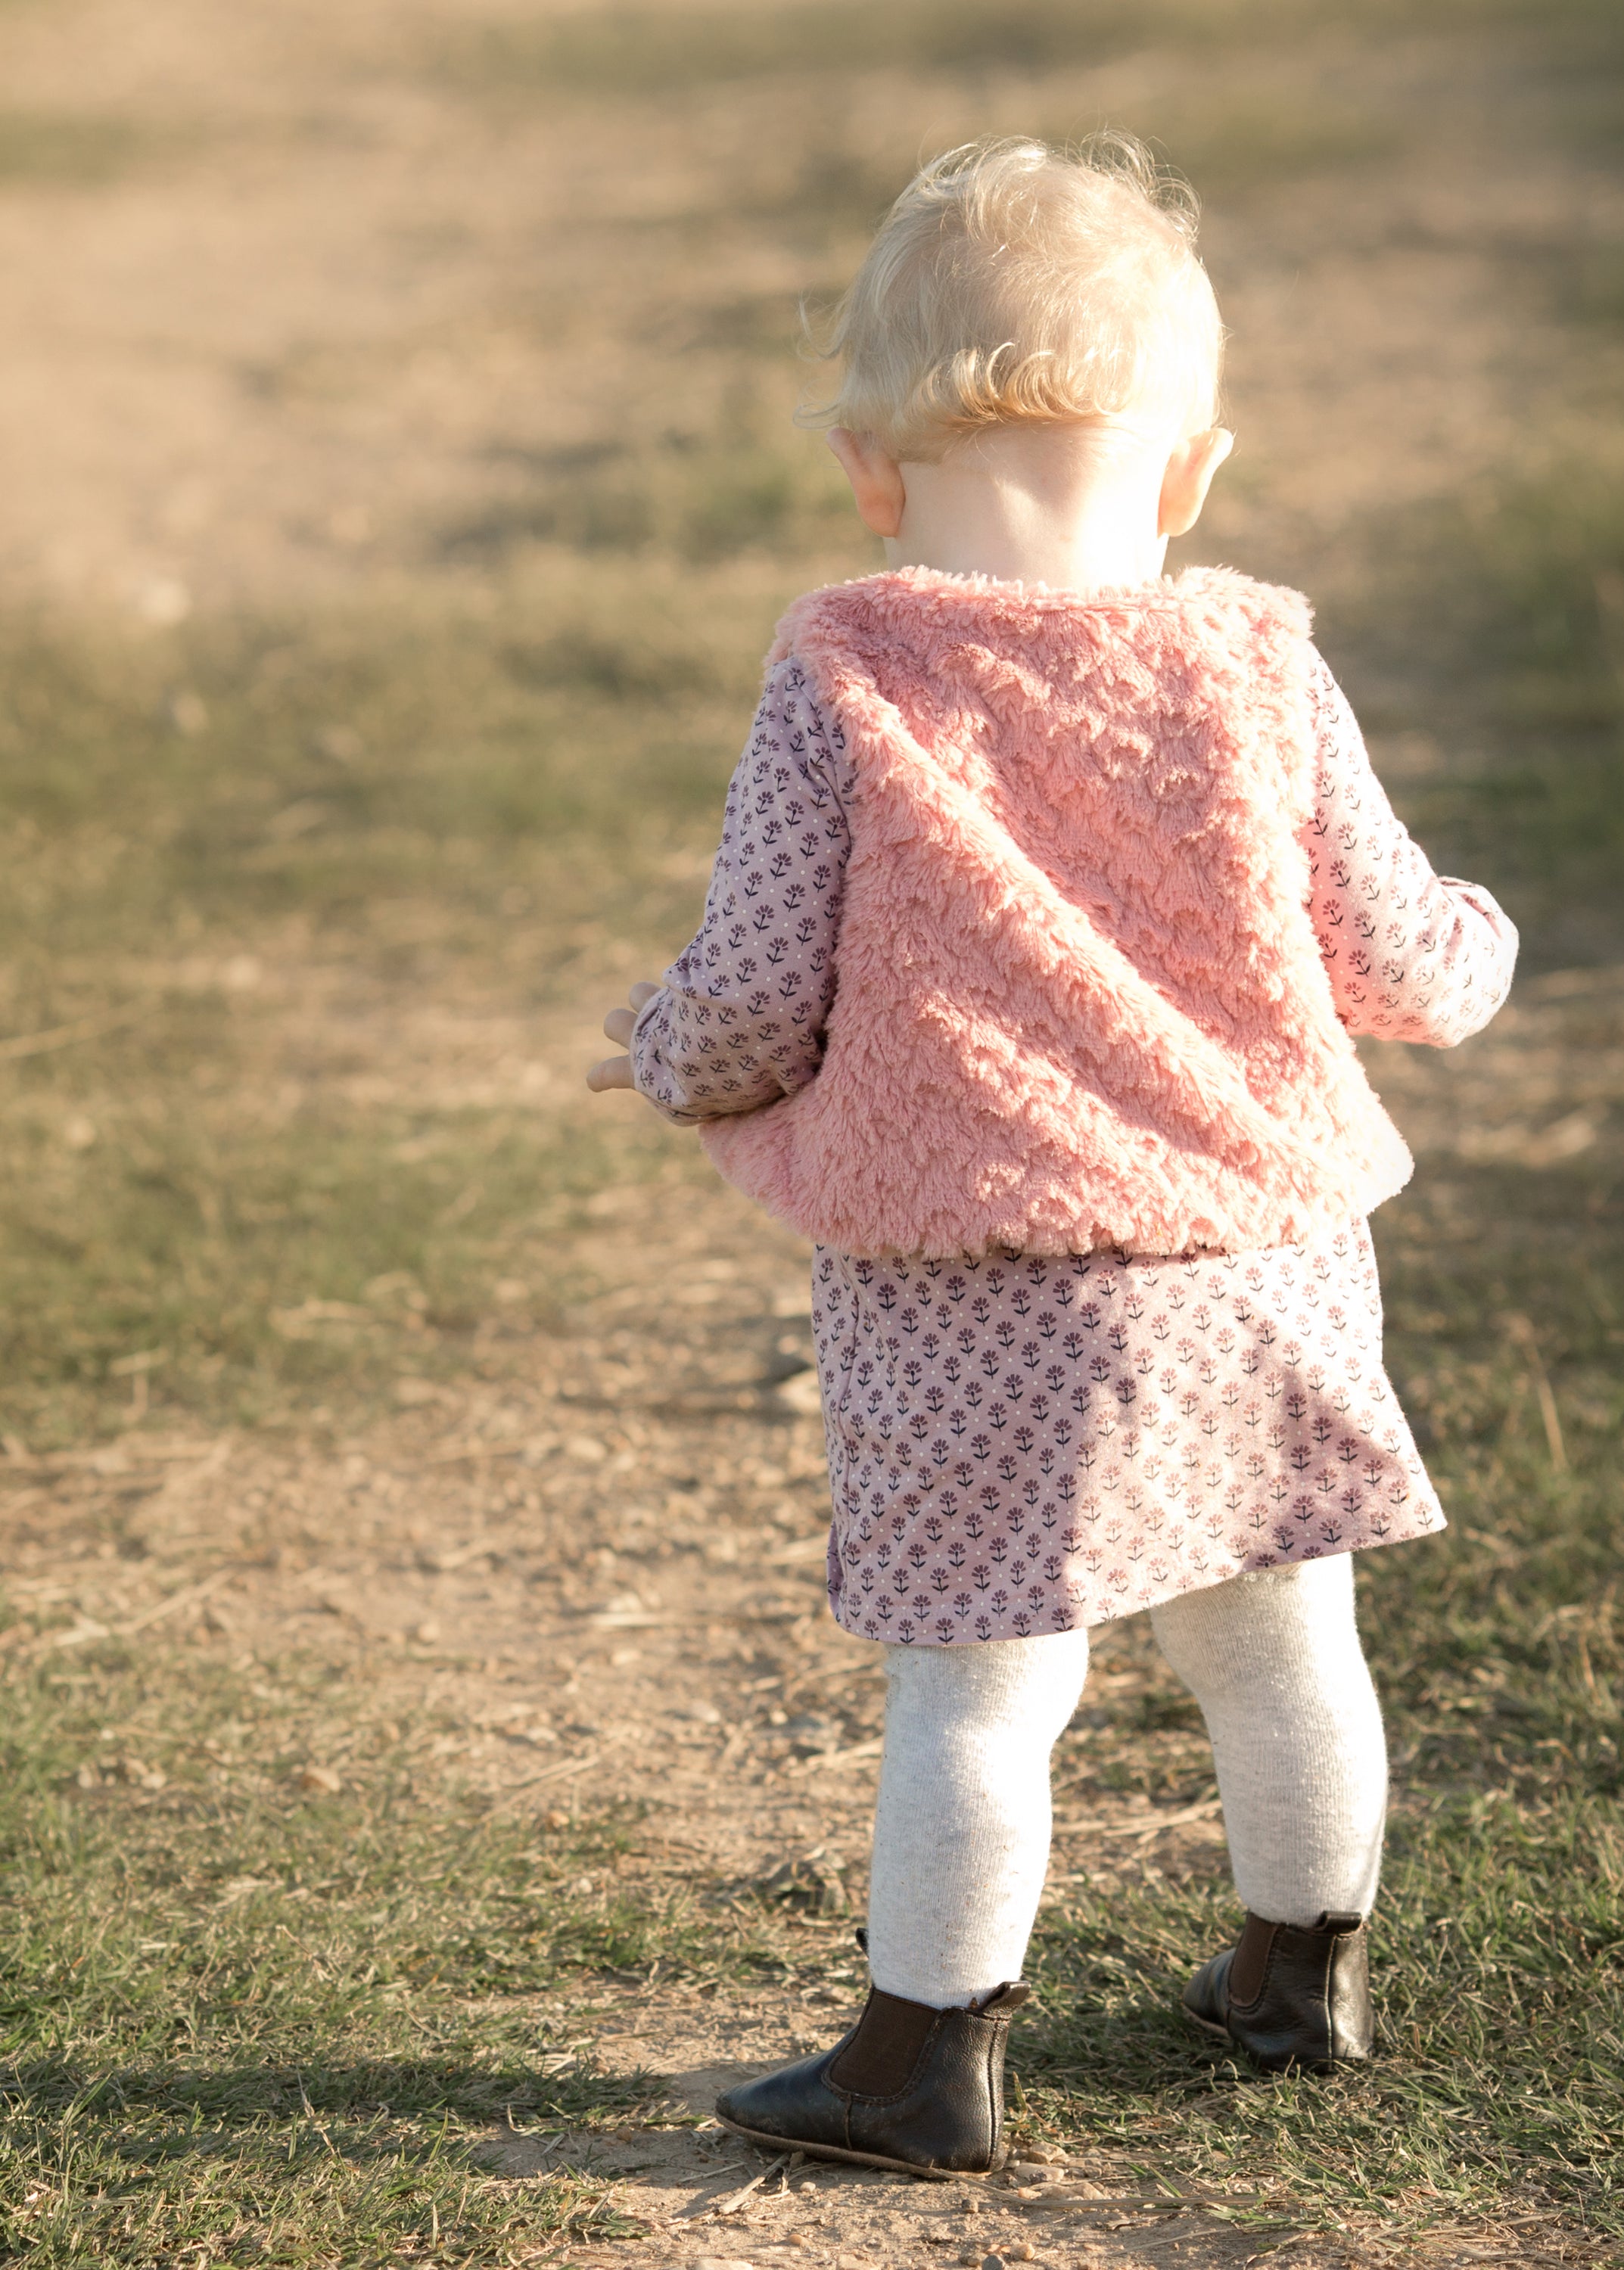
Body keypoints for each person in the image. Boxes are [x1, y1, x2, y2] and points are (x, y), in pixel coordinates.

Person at [586, 133, 1516, 2178]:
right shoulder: (1260, 661)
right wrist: (1487, 940)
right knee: (1284, 1634)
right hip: (1255, 1256)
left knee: (988, 1685)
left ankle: (924, 2059)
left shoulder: (846, 668)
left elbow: (752, 991)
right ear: (1190, 473)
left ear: (868, 466)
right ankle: (1300, 1975)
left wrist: (664, 1058)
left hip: (975, 1278)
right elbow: (1397, 957)